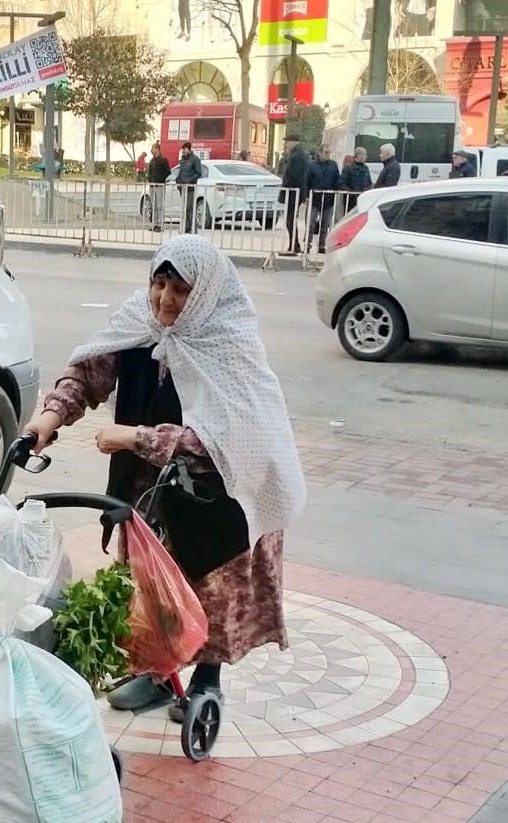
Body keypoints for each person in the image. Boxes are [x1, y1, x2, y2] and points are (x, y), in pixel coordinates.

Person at [23, 236, 306, 715]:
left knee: (210, 588)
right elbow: (88, 373)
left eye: (181, 290)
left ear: (205, 293)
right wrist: (47, 419)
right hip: (149, 488)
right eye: (159, 284)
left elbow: (229, 439)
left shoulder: (228, 340)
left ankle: (208, 682)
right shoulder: (141, 323)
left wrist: (137, 438)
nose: (165, 300)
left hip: (220, 496)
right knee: (151, 585)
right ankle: (156, 674)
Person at [305, 143, 341, 254]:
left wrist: (336, 192)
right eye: (326, 152)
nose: (328, 155)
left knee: (325, 225)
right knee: (310, 224)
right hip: (314, 199)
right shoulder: (311, 165)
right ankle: (307, 244)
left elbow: (337, 180)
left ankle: (321, 245)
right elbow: (306, 181)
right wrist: (306, 196)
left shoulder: (333, 165)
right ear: (320, 153)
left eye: (329, 152)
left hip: (328, 199)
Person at [281, 133, 309, 254]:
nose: (286, 145)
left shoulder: (297, 156)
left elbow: (295, 176)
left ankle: (294, 246)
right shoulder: (298, 154)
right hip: (295, 192)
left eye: (287, 142)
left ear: (293, 142)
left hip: (293, 193)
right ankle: (294, 245)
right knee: (290, 220)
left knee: (290, 220)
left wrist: (288, 187)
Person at [175, 141, 203, 233]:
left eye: (185, 149)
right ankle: (186, 228)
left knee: (190, 208)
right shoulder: (182, 160)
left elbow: (199, 173)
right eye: (182, 149)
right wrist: (178, 180)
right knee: (185, 209)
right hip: (182, 188)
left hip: (190, 188)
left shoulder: (195, 159)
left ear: (189, 149)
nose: (183, 151)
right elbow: (181, 172)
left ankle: (193, 229)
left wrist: (190, 181)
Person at [339, 147, 373, 213]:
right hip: (351, 202)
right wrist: (352, 194)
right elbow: (341, 184)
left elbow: (369, 183)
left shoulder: (366, 168)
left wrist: (366, 192)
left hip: (363, 200)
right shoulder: (348, 168)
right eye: (365, 154)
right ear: (358, 155)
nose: (366, 156)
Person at [147, 142, 171, 233]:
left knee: (160, 205)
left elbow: (168, 171)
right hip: (152, 186)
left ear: (157, 149)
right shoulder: (152, 161)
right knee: (154, 205)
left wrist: (161, 178)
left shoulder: (163, 160)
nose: (152, 150)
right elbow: (149, 172)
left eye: (153, 148)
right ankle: (155, 224)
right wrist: (149, 179)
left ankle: (160, 224)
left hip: (160, 185)